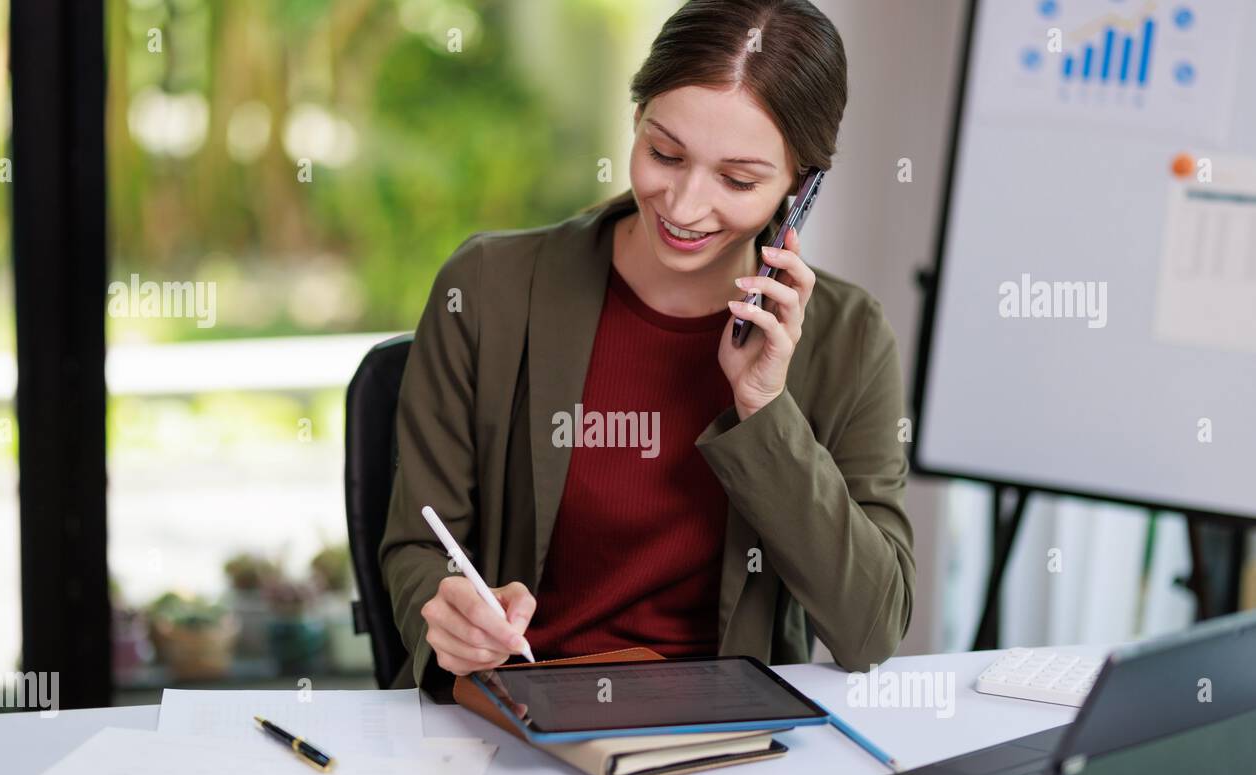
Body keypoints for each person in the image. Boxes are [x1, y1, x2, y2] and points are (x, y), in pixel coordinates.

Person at [380, 0, 914, 693]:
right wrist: (446, 614)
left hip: (724, 740)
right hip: (515, 721)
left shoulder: (850, 337)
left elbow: (870, 630)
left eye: (738, 180)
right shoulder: (485, 290)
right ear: (636, 120)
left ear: (800, 188)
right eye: (665, 153)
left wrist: (764, 407)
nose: (686, 206)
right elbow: (420, 544)